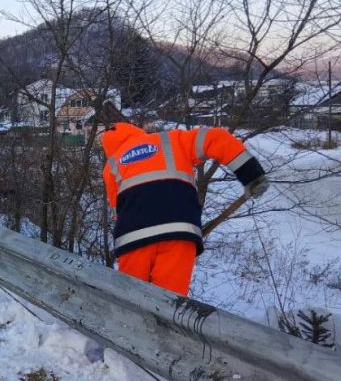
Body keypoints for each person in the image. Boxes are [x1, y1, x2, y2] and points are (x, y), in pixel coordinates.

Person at [101, 122, 269, 296]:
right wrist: (251, 174)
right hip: (180, 230)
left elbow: (117, 210)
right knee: (170, 303)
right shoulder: (170, 140)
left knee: (131, 299)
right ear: (137, 131)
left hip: (133, 238)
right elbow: (215, 138)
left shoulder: (111, 166)